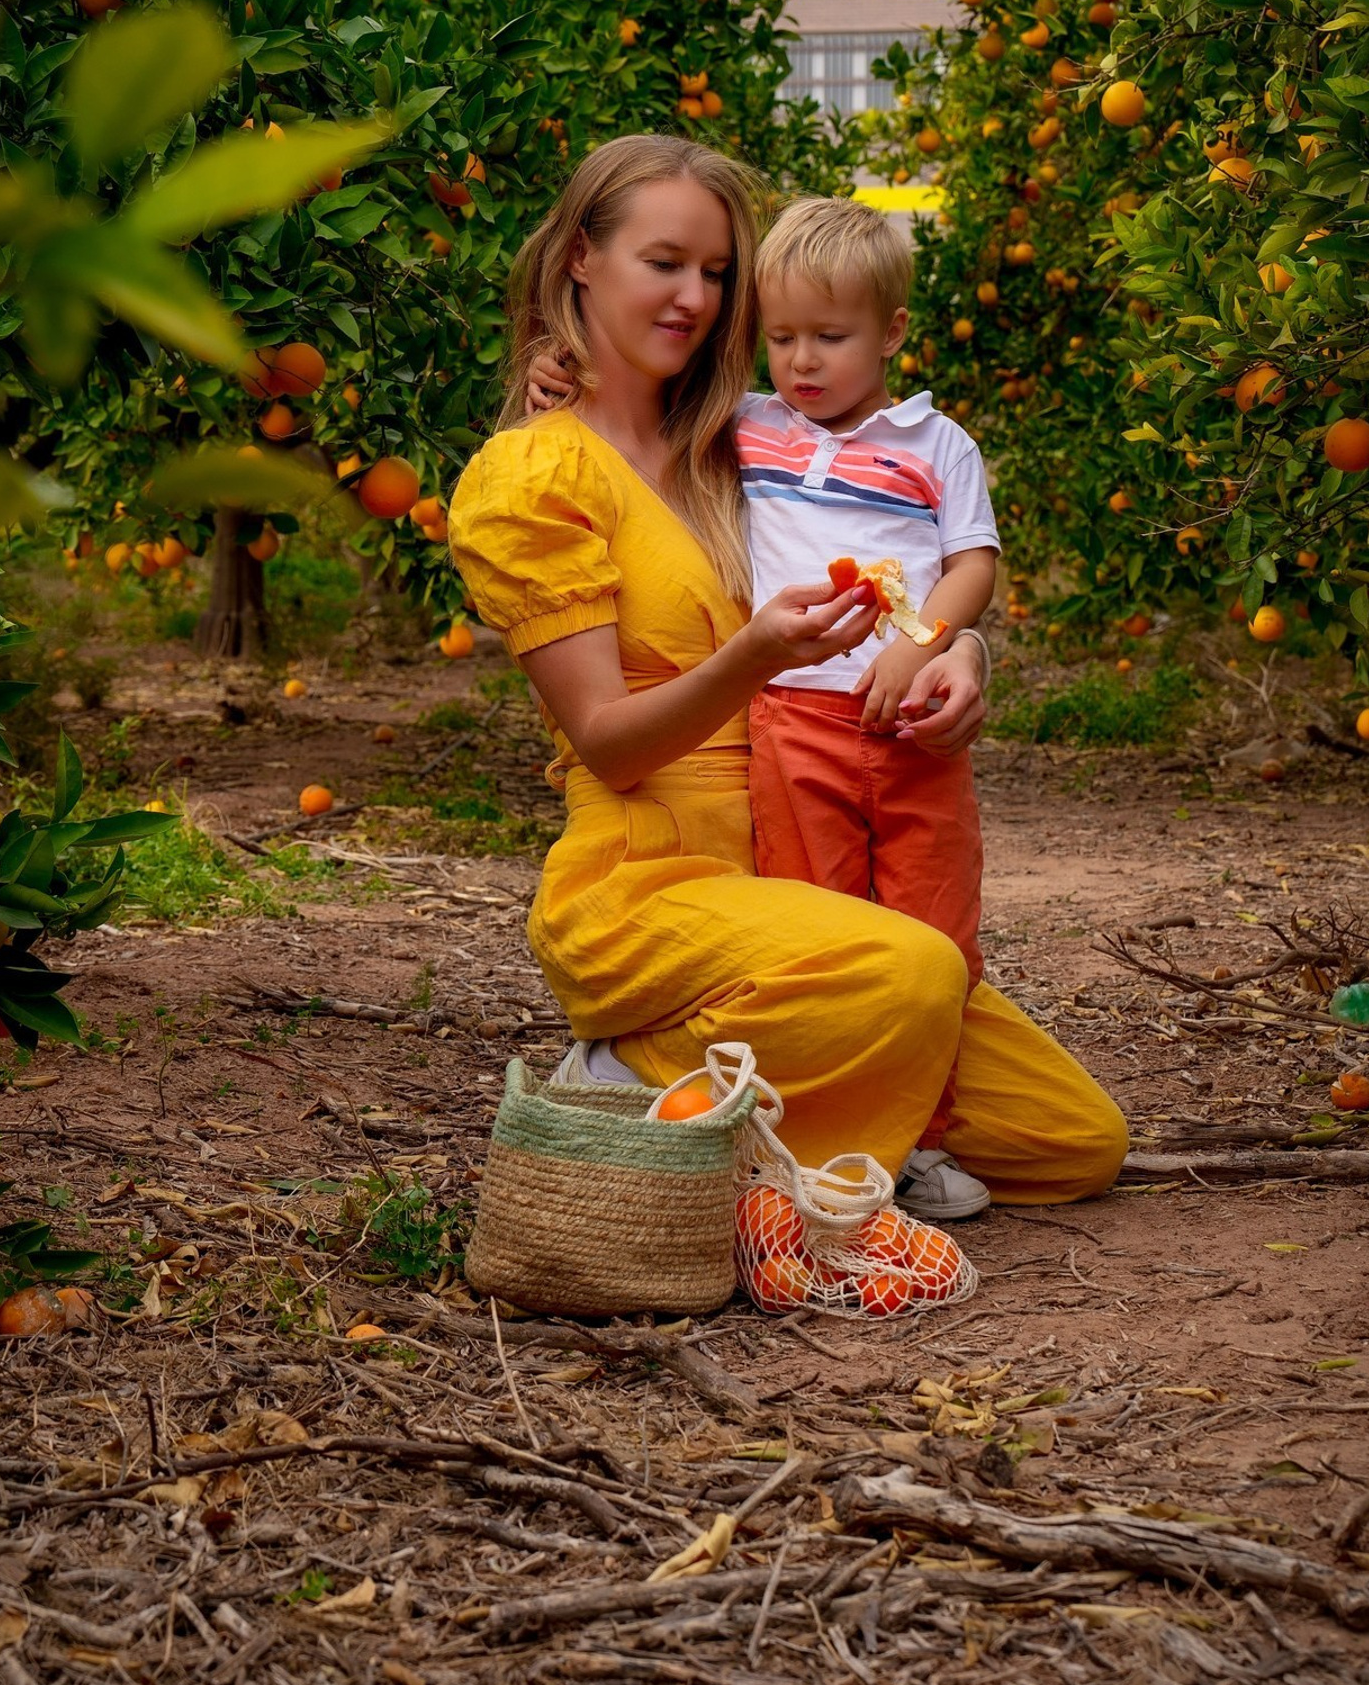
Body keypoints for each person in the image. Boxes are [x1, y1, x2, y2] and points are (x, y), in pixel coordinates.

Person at [447, 133, 1126, 1205]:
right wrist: (750, 654)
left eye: (718, 274)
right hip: (648, 885)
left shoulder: (737, 442)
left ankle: (755, 1119)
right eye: (663, 261)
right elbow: (609, 743)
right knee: (913, 973)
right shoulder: (535, 474)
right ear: (582, 256)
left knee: (1072, 1138)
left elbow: (910, 554)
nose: (694, 298)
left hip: (795, 871)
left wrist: (958, 647)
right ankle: (637, 1068)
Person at [528, 192, 1002, 1218]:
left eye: (829, 338)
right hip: (792, 723)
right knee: (820, 917)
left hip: (911, 731)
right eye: (780, 338)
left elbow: (974, 561)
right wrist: (555, 374)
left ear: (894, 334)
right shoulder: (750, 430)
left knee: (935, 930)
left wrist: (929, 641)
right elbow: (626, 424)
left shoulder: (935, 445)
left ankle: (916, 1138)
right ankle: (795, 1127)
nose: (802, 362)